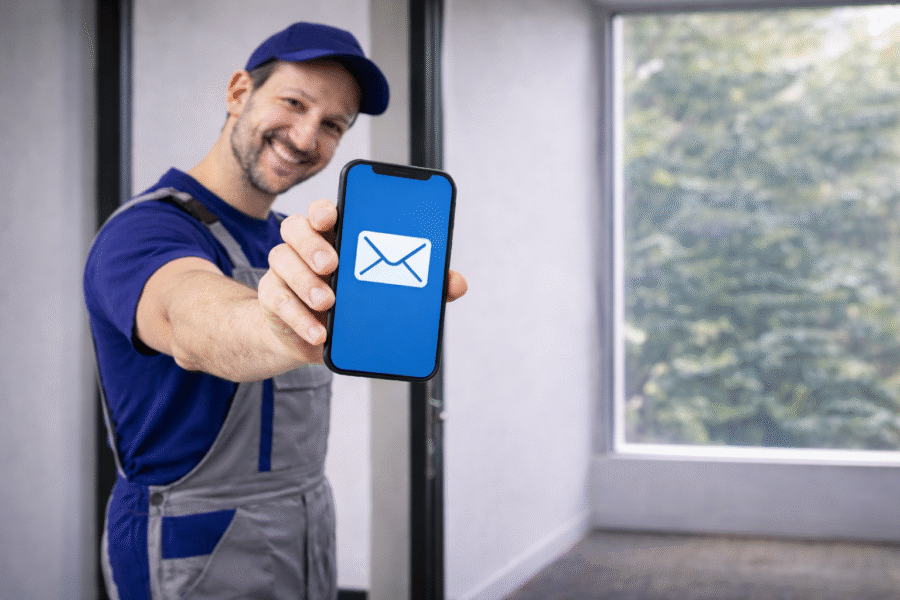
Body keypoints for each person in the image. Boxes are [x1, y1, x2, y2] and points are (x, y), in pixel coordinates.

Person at [84, 21, 467, 600]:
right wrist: (282, 325)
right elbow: (191, 319)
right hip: (193, 546)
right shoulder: (145, 232)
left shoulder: (295, 242)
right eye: (295, 102)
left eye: (333, 125)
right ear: (240, 93)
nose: (307, 136)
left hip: (303, 527)